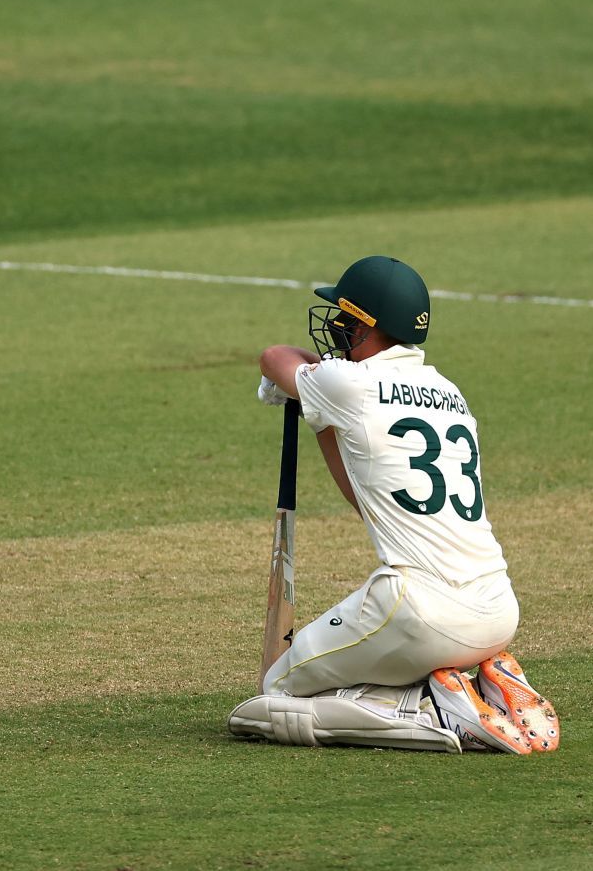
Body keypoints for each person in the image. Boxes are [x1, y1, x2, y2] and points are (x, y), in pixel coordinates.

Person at [228, 255, 561, 754]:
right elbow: (364, 497)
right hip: (497, 613)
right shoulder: (451, 393)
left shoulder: (350, 383)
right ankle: (476, 683)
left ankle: (430, 709)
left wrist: (311, 378)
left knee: (273, 694)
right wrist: (321, 417)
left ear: (363, 324)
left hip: (419, 612)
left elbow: (275, 355)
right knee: (337, 671)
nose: (335, 327)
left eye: (342, 317)